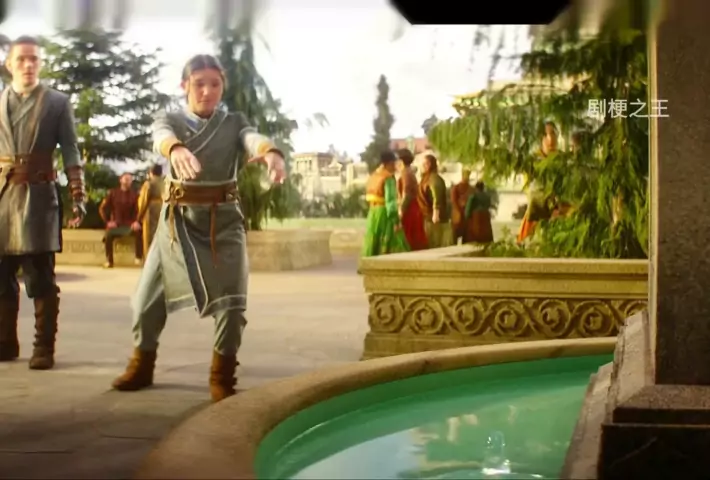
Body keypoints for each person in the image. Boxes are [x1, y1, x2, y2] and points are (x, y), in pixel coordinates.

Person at [111, 54, 287, 402]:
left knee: (233, 303)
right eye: (199, 84)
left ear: (223, 86)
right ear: (185, 86)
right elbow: (160, 135)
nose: (207, 91)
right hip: (177, 223)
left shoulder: (234, 123)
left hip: (224, 223)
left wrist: (271, 152)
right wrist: (175, 148)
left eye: (215, 84)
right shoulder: (170, 119)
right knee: (146, 301)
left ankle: (222, 375)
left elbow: (252, 138)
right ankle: (142, 364)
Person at [0, 35, 86, 369]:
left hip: (38, 197)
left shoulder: (56, 103)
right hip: (3, 196)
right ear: (9, 64)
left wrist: (77, 192)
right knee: (1, 275)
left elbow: (71, 148)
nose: (28, 65)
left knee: (40, 276)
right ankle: (5, 342)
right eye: (21, 59)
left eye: (34, 59)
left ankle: (43, 347)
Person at [362, 151, 410, 257]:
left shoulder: (373, 176)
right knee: (392, 243)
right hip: (384, 213)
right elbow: (390, 201)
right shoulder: (388, 178)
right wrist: (396, 221)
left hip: (373, 213)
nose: (395, 167)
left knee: (372, 241)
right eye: (393, 164)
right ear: (388, 163)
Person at [517, 121, 558, 244]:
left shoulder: (562, 161)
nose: (550, 138)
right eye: (546, 135)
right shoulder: (533, 162)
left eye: (553, 134)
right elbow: (531, 190)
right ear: (541, 139)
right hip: (537, 212)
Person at [99, 172, 142, 268]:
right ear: (120, 180)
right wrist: (107, 222)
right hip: (116, 224)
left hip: (130, 224)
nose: (128, 181)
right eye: (126, 179)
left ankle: (138, 257)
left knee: (139, 231)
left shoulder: (135, 195)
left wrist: (137, 221)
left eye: (130, 180)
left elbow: (138, 211)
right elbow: (102, 208)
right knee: (108, 235)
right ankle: (109, 261)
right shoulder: (113, 193)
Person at [417, 154, 453, 248]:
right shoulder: (426, 178)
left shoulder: (434, 178)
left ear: (428, 164)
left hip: (433, 217)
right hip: (426, 216)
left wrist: (436, 213)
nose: (421, 167)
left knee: (435, 242)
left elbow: (436, 195)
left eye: (423, 164)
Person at [395, 148, 427, 251]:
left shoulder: (406, 173)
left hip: (409, 209)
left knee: (409, 238)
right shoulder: (408, 172)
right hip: (412, 207)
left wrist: (401, 210)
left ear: (401, 160)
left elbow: (407, 194)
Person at [136, 163, 165, 256]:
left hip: (152, 210)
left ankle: (150, 257)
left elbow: (143, 201)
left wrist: (139, 217)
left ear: (151, 173)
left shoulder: (148, 184)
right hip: (164, 208)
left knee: (150, 235)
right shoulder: (166, 182)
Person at [450, 168, 473, 244]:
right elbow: (453, 200)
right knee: (455, 234)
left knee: (466, 236)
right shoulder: (456, 188)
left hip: (467, 214)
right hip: (458, 215)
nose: (467, 177)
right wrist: (459, 209)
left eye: (468, 175)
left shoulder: (471, 188)